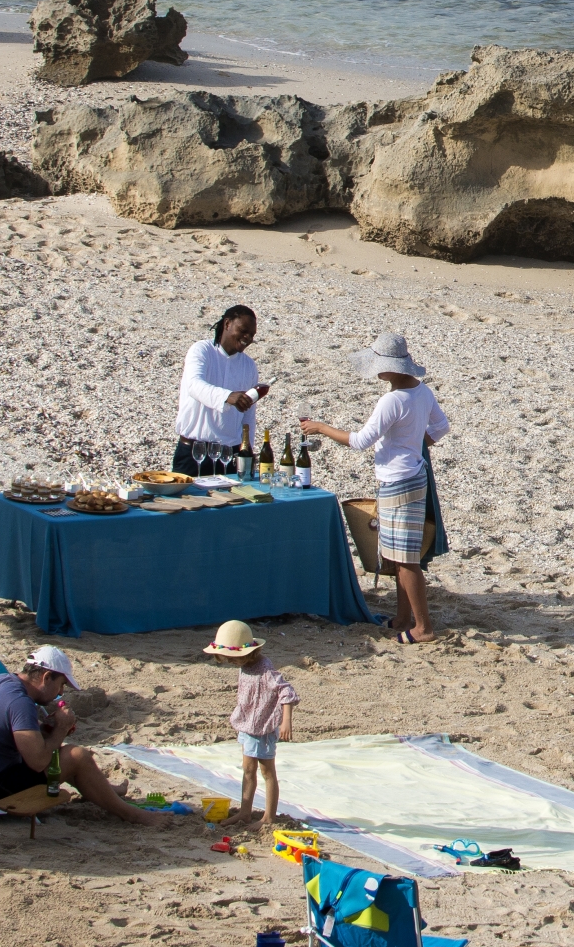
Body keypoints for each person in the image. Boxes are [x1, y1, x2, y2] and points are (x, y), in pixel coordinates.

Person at [298, 331, 451, 645]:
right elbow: (441, 426)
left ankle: (423, 627)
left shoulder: (392, 401)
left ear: (389, 367)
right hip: (415, 477)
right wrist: (416, 442)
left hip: (398, 483)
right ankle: (404, 618)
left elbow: (360, 441)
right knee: (400, 556)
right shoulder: (422, 392)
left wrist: (320, 428)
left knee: (405, 560)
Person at [0, 646, 172, 827]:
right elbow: (37, 763)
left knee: (63, 753)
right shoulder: (20, 702)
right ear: (46, 677)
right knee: (77, 756)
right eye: (61, 684)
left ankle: (105, 791)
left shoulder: (1, 682)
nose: (61, 693)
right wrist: (61, 729)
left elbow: (13, 732)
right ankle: (132, 815)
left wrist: (46, 730)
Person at [202, 619, 298, 825]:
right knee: (247, 770)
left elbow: (287, 691)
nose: (232, 662)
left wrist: (286, 721)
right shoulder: (245, 666)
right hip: (247, 726)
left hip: (261, 729)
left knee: (267, 771)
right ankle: (245, 812)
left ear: (248, 653)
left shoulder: (265, 669)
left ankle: (269, 817)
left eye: (234, 658)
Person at [173, 304, 268, 478]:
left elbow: (248, 416)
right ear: (227, 324)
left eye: (252, 335)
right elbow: (194, 385)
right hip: (193, 453)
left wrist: (248, 451)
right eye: (243, 331)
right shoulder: (201, 350)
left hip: (229, 455)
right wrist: (227, 396)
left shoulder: (249, 366)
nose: (247, 338)